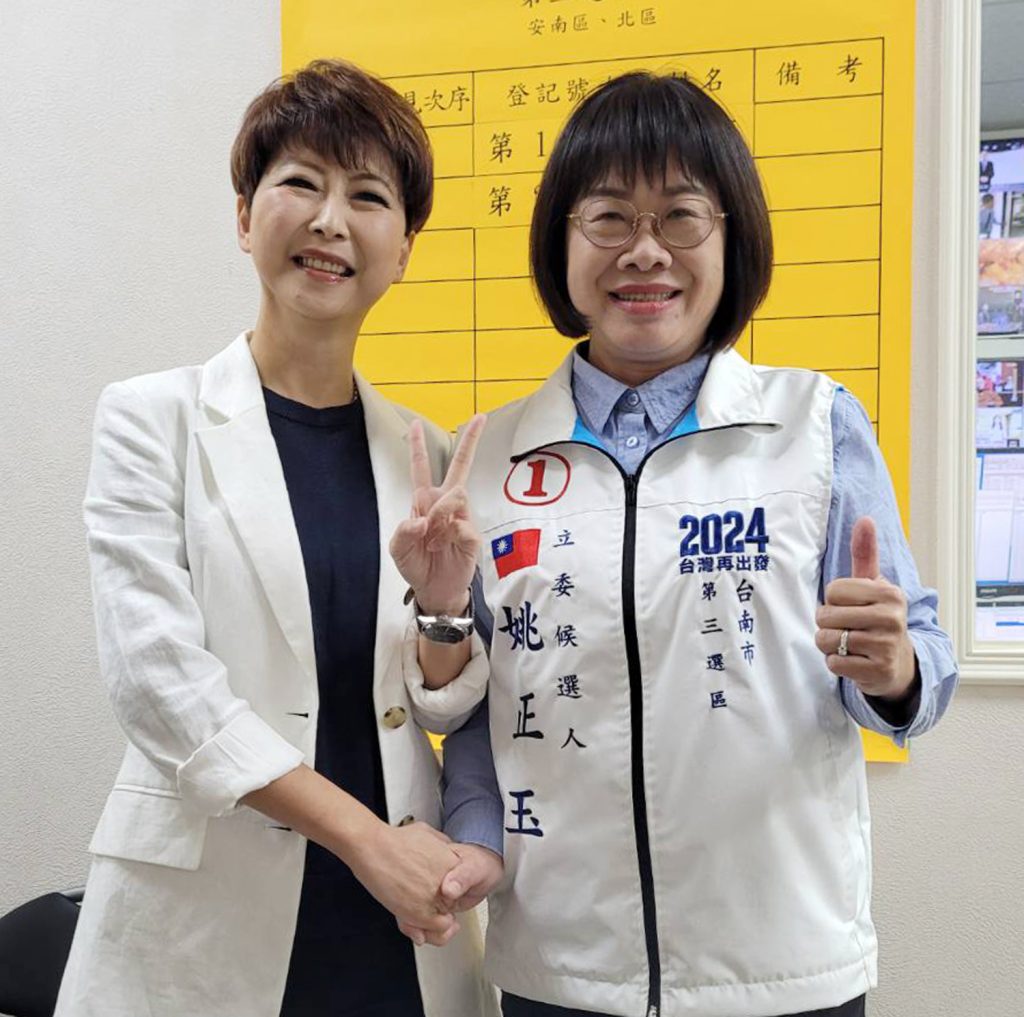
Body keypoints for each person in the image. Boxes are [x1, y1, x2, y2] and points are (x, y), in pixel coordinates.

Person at [398, 72, 958, 1017]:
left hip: (781, 967)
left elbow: (922, 667)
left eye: (682, 216)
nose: (645, 250)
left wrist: (894, 668)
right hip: (561, 968)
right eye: (609, 216)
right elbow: (479, 716)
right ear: (563, 243)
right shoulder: (491, 458)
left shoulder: (814, 424)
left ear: (732, 238)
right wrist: (444, 624)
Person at [54, 59, 499, 1017]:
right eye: (302, 182)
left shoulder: (426, 454)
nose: (332, 221)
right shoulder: (152, 420)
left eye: (368, 196)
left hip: (396, 924)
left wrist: (444, 608)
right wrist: (367, 840)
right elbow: (159, 684)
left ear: (403, 249)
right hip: (209, 916)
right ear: (245, 216)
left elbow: (442, 698)